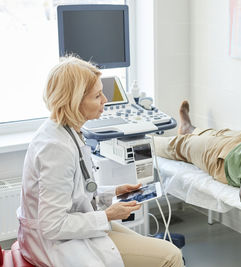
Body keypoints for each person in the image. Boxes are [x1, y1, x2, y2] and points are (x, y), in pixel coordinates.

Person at [17, 56, 183, 267]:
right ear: (75, 101)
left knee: (148, 246)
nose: (105, 100)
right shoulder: (55, 148)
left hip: (75, 226)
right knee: (171, 255)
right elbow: (53, 225)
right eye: (97, 95)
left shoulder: (67, 130)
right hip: (54, 243)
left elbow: (76, 191)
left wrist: (113, 192)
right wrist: (107, 215)